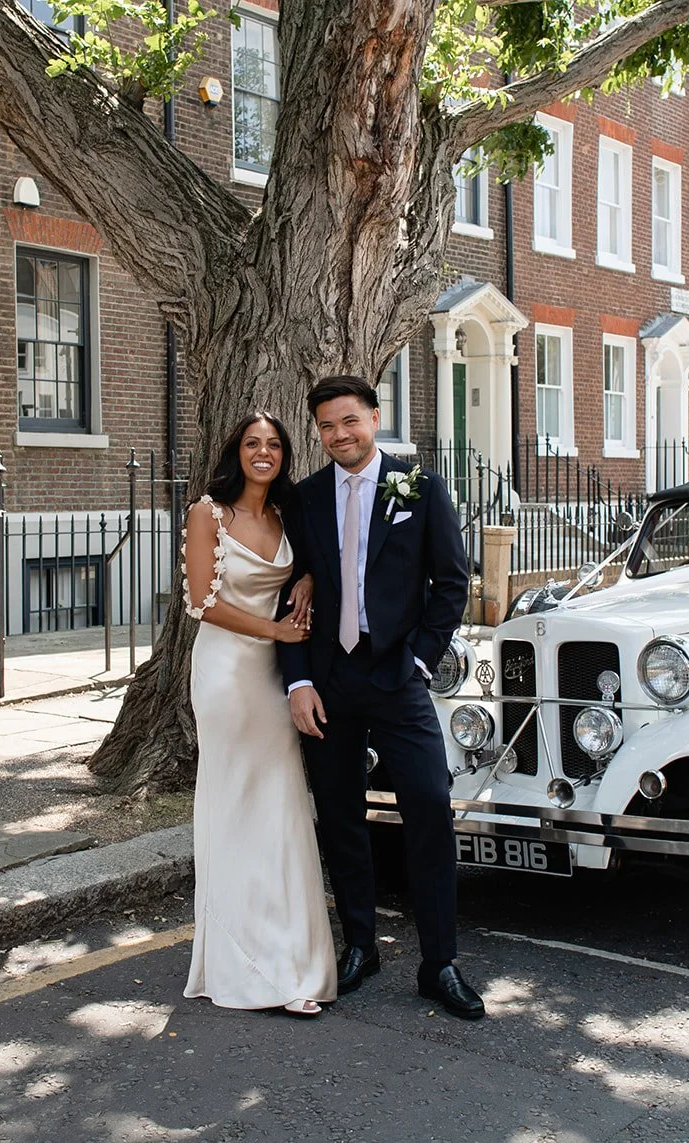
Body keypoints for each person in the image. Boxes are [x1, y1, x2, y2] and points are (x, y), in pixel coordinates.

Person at [277, 375, 485, 1020]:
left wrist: (420, 661)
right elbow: (291, 593)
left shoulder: (419, 487)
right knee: (339, 817)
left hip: (399, 677)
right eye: (327, 427)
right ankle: (360, 944)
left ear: (373, 416)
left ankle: (439, 962)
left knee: (428, 805)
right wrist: (299, 681)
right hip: (329, 680)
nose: (340, 435)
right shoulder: (306, 498)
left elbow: (452, 583)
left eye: (350, 421)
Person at [181, 412, 336, 1018]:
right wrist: (274, 626)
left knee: (281, 809)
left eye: (273, 444)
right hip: (225, 674)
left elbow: (316, 562)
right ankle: (239, 963)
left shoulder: (286, 513)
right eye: (252, 443)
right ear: (235, 451)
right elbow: (203, 601)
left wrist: (310, 583)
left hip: (274, 676)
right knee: (234, 804)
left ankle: (294, 960)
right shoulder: (208, 513)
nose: (263, 452)